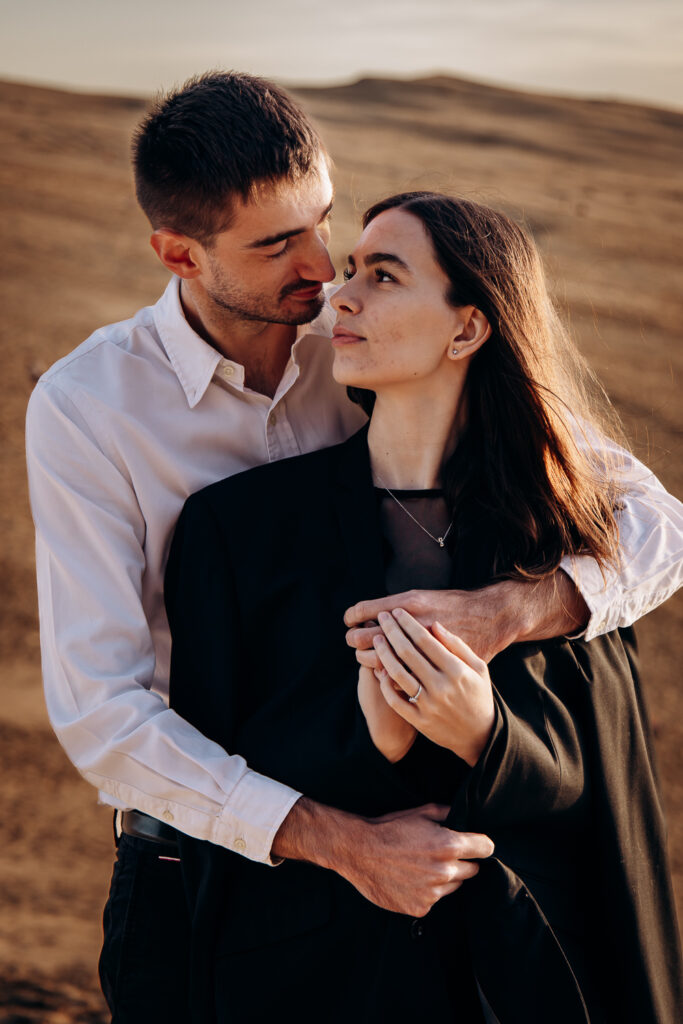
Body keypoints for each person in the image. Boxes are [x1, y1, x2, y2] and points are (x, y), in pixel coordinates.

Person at [24, 73, 683, 1021]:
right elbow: (103, 717)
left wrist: (502, 613)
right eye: (275, 244)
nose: (320, 269)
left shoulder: (362, 338)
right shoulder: (89, 407)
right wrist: (341, 843)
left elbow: (653, 519)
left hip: (413, 871)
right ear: (178, 254)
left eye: (321, 222)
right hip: (204, 868)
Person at [165, 192, 682, 1023]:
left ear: (466, 329)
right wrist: (372, 736)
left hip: (519, 982)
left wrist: (484, 732)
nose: (340, 297)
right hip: (308, 983)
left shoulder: (564, 544)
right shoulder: (237, 528)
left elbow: (598, 791)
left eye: (383, 275)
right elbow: (209, 770)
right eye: (350, 271)